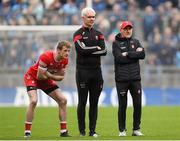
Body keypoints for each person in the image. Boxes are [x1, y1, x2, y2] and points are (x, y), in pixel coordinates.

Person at [24, 41, 71, 137]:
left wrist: (48, 74)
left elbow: (61, 78)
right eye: (65, 50)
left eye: (69, 51)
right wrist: (51, 75)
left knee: (63, 100)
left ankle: (63, 132)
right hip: (32, 77)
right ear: (58, 50)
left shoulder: (65, 60)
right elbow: (40, 76)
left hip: (46, 80)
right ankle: (27, 132)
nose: (67, 53)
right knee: (33, 101)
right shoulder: (46, 56)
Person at [73, 7, 107, 137]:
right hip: (82, 72)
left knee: (94, 102)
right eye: (89, 17)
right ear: (83, 18)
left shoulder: (99, 33)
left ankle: (92, 131)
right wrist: (95, 48)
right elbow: (81, 50)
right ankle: (82, 131)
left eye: (93, 17)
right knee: (82, 102)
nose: (92, 19)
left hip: (96, 72)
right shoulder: (77, 33)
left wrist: (90, 49)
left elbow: (104, 51)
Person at [112, 21, 145, 136]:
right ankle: (122, 130)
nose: (128, 30)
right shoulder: (115, 43)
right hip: (122, 79)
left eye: (130, 28)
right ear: (121, 30)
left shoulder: (136, 42)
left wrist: (128, 54)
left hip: (135, 79)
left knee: (137, 104)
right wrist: (134, 54)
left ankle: (136, 129)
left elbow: (142, 55)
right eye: (125, 28)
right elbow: (119, 59)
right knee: (123, 105)